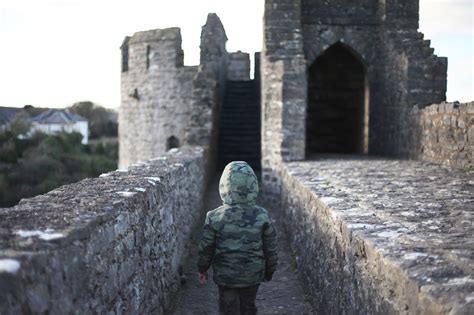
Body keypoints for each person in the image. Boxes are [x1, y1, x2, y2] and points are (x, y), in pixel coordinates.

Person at [197, 161, 278, 315]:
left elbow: (206, 247)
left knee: (228, 308)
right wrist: (269, 271)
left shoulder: (214, 216)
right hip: (252, 275)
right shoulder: (262, 215)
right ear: (253, 186)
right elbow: (271, 248)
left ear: (224, 187)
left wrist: (203, 268)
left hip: (226, 276)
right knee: (248, 306)